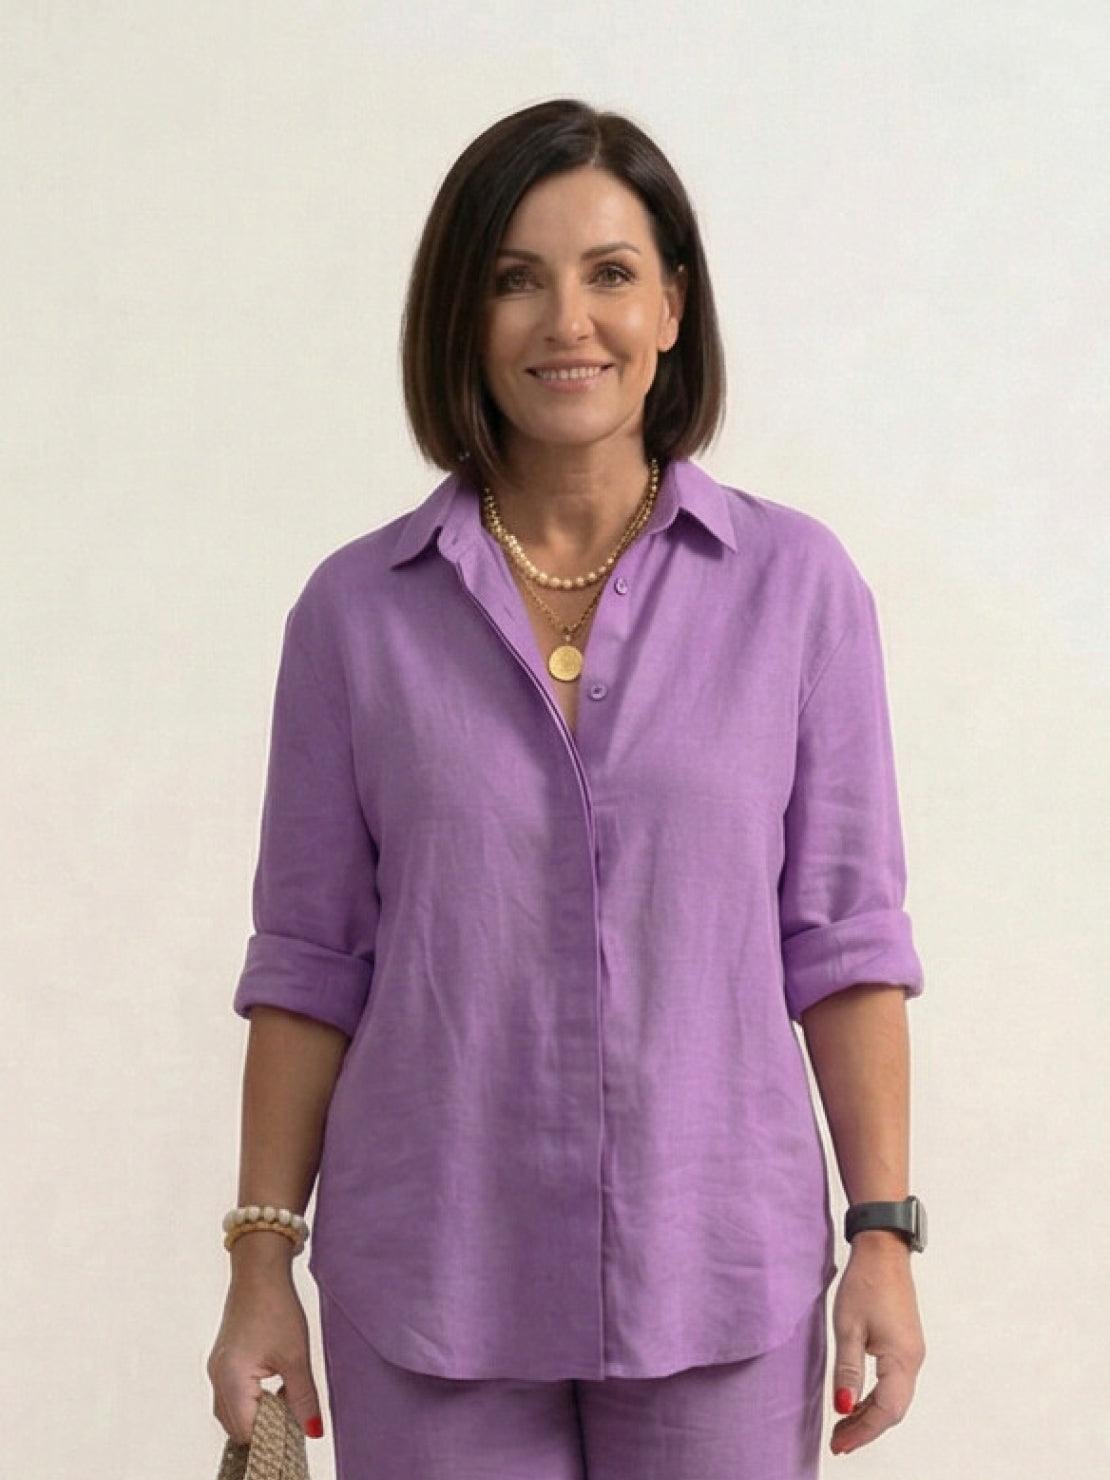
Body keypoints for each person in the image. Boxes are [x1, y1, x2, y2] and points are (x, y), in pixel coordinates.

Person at [206, 97, 927, 1479]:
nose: (568, 322)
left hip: (718, 1272)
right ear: (463, 317)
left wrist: (882, 1237)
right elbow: (308, 960)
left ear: (671, 306)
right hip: (431, 1280)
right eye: (515, 279)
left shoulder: (797, 591)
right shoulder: (354, 616)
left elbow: (844, 944)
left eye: (609, 273)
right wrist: (258, 1264)